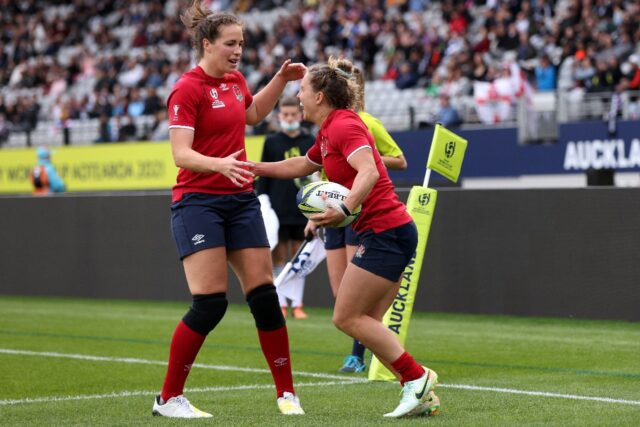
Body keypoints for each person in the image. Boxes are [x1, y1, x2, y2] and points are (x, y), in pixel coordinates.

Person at [253, 57, 439, 418]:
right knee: (366, 320)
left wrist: (343, 209)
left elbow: (369, 171)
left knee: (346, 317)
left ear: (320, 96)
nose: (297, 97)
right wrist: (255, 168)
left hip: (386, 232)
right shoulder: (327, 131)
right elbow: (302, 166)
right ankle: (419, 391)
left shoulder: (344, 125)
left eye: (302, 90)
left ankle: (417, 379)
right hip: (390, 231)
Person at [152, 3, 306, 419]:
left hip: (240, 202)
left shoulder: (236, 80)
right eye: (231, 43)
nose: (238, 50)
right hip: (198, 202)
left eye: (241, 43)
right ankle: (168, 399)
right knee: (210, 304)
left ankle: (287, 394)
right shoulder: (187, 88)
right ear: (207, 44)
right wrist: (221, 164)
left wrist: (279, 79)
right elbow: (181, 154)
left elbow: (253, 113)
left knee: (264, 296)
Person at [322, 63, 408, 374]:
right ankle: (412, 379)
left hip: (360, 213)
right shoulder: (326, 126)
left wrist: (363, 153)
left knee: (352, 307)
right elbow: (316, 167)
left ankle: (363, 357)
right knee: (342, 298)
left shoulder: (361, 123)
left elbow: (397, 160)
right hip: (333, 211)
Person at [256, 96, 315, 320]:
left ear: (300, 116)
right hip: (277, 209)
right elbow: (263, 175)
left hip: (303, 209)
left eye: (293, 115)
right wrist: (263, 200)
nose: (289, 118)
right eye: (285, 115)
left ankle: (298, 305)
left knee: (300, 258)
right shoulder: (271, 142)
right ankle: (280, 303)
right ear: (279, 116)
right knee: (279, 257)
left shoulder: (310, 140)